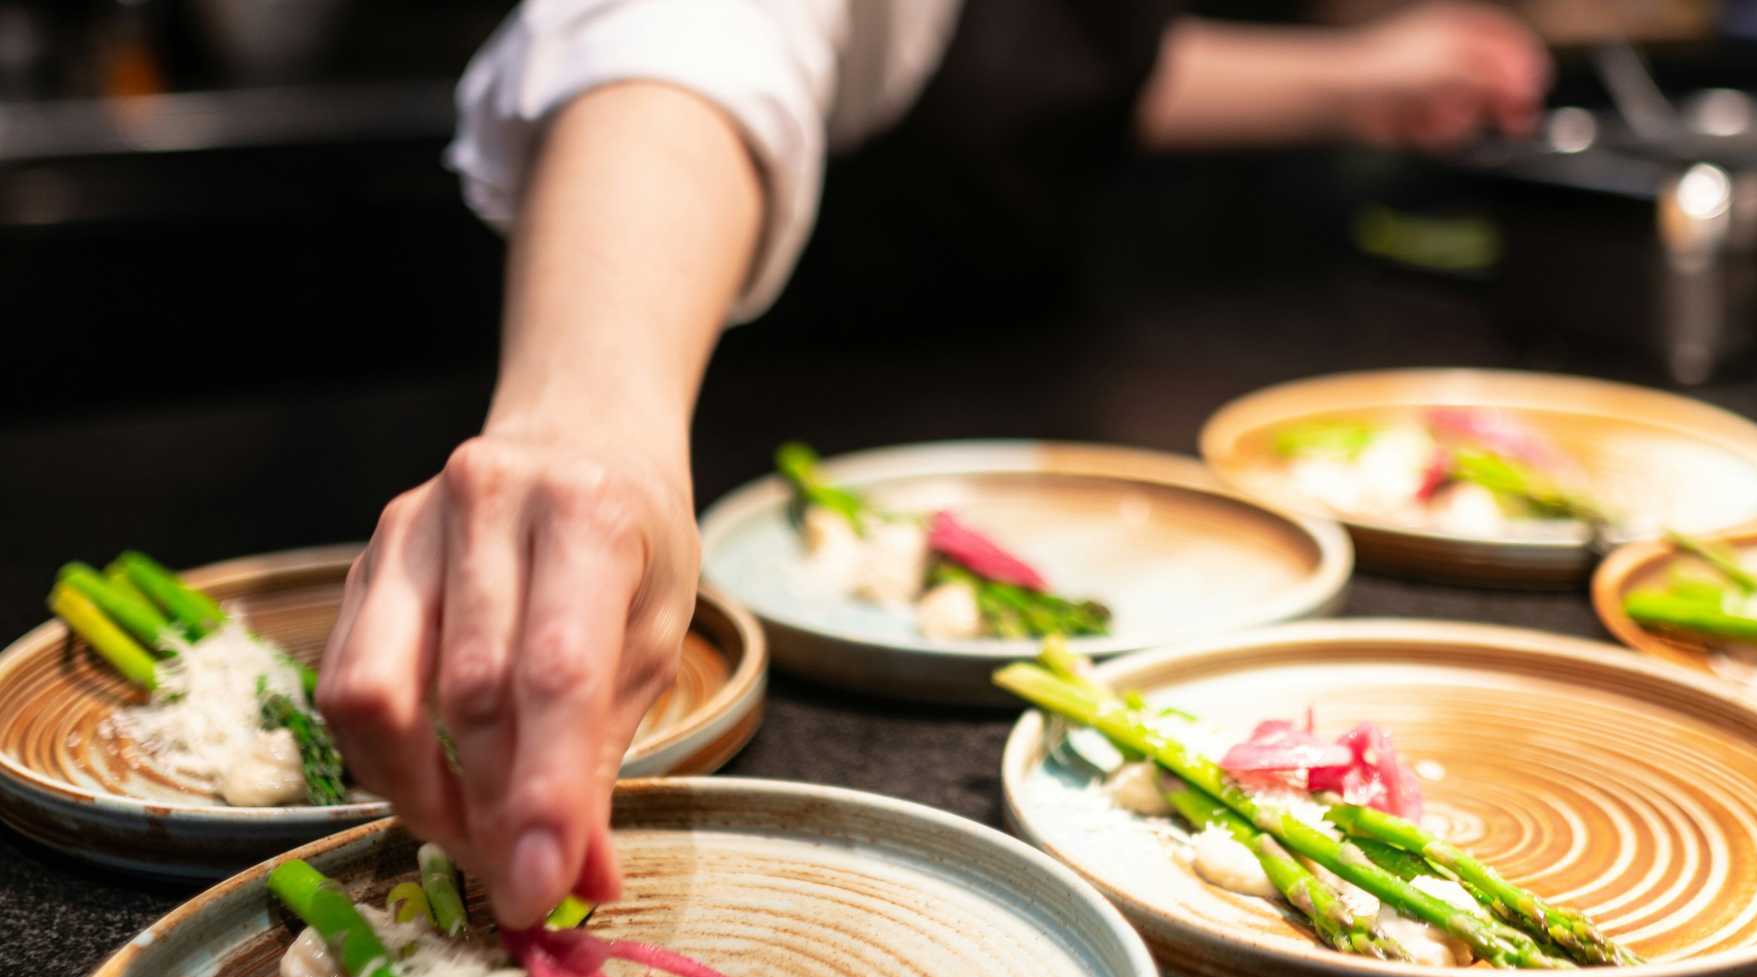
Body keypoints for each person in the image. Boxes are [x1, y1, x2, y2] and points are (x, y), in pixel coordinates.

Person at [317, 0, 1551, 929]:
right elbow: (698, 26)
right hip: (720, 392)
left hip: (1020, 361)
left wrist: (1355, 82)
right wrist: (586, 419)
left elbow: (1040, 54)